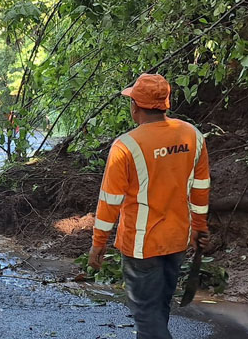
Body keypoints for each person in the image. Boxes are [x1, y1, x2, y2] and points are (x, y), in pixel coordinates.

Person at [88, 73, 211, 339]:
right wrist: (199, 227)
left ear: (135, 106)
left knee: (147, 319)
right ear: (165, 103)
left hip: (141, 246)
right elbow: (200, 188)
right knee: (159, 310)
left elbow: (110, 201)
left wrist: (98, 243)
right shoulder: (193, 136)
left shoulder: (125, 146)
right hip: (177, 240)